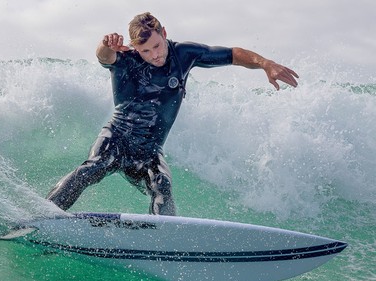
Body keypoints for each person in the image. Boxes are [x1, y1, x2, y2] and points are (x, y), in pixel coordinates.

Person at [46, 12, 299, 215]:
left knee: (162, 186)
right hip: (117, 138)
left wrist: (265, 63)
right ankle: (44, 216)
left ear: (164, 34)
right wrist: (105, 44)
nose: (154, 55)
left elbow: (232, 54)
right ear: (135, 47)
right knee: (93, 168)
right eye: (145, 51)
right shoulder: (127, 60)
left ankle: (163, 242)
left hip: (149, 150)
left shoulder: (183, 55)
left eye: (157, 46)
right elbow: (105, 56)